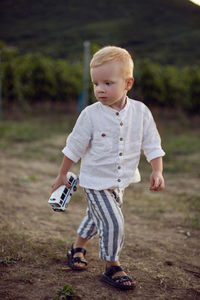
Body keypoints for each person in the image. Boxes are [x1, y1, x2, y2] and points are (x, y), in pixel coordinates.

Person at [51, 46, 165, 290]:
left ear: (128, 83)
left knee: (96, 216)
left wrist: (157, 170)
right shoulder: (90, 115)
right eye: (96, 83)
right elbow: (74, 147)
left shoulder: (141, 112)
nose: (100, 89)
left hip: (120, 182)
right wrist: (62, 174)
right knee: (113, 221)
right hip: (94, 181)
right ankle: (112, 266)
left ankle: (77, 248)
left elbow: (152, 143)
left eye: (108, 83)